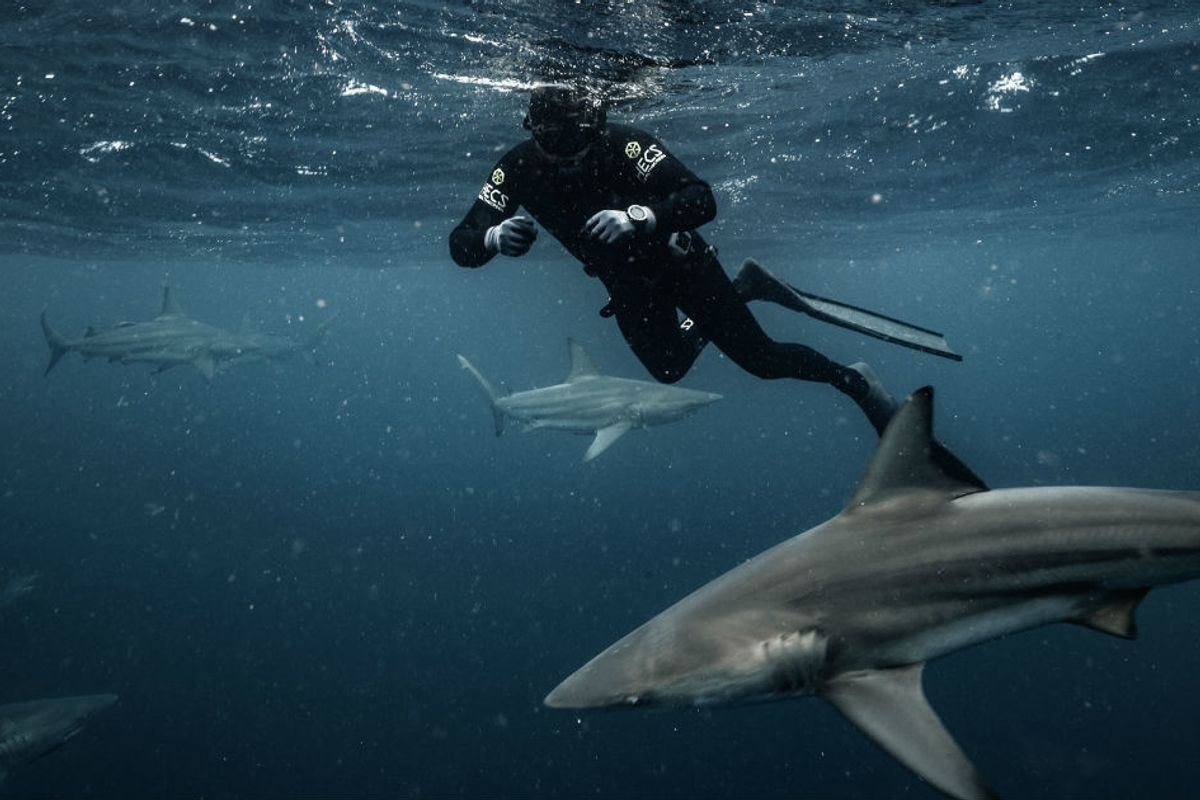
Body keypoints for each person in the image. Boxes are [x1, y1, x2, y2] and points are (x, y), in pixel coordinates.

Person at [448, 85, 898, 434]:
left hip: (685, 267)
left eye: (576, 141)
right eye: (552, 142)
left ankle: (854, 382)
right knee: (668, 370)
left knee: (763, 361)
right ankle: (746, 286)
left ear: (592, 125)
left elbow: (701, 199)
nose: (567, 155)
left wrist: (640, 218)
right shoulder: (516, 168)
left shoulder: (625, 145)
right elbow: (461, 243)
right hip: (626, 287)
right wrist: (492, 236)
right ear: (533, 129)